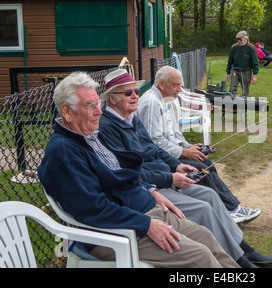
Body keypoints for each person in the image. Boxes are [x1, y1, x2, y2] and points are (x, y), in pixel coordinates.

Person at [37, 71, 239, 268]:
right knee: (200, 256)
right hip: (116, 233)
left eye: (97, 103)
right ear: (66, 111)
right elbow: (92, 208)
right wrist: (146, 224)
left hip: (144, 209)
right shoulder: (63, 152)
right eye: (90, 105)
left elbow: (123, 171)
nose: (99, 111)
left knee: (205, 236)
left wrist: (150, 190)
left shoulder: (92, 135)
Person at [99, 69, 272, 267]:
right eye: (128, 93)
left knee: (210, 196)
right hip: (151, 188)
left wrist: (177, 164)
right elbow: (131, 174)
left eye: (136, 92)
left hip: (164, 175)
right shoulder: (107, 128)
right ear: (112, 99)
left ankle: (241, 247)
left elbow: (154, 148)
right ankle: (239, 259)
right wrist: (170, 177)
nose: (135, 96)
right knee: (203, 208)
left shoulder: (130, 117)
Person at [137, 66, 261, 224]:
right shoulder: (151, 102)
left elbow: (173, 132)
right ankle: (230, 209)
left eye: (180, 85)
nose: (180, 90)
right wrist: (182, 152)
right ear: (162, 85)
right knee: (202, 167)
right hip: (160, 161)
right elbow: (154, 141)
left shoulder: (165, 99)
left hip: (169, 154)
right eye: (176, 85)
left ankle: (231, 207)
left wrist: (188, 147)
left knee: (205, 161)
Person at [226, 30, 259, 97]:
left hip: (246, 71)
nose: (239, 41)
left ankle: (244, 104)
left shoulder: (251, 47)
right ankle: (231, 104)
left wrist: (254, 75)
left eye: (240, 39)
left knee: (245, 90)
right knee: (232, 89)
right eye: (237, 39)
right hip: (235, 70)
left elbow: (255, 62)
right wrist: (228, 73)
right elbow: (230, 61)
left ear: (246, 38)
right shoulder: (234, 47)